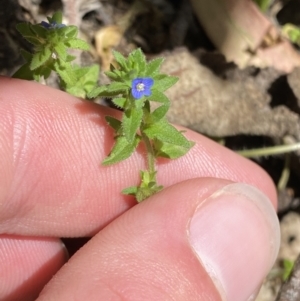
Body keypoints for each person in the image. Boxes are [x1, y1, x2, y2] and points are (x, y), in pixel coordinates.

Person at [0, 77, 280, 301]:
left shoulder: (146, 116)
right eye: (138, 87)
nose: (141, 88)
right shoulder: (136, 111)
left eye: (143, 86)